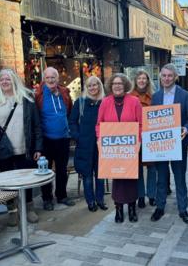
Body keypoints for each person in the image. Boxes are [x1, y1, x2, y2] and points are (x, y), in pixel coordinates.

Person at [0, 68, 43, 224]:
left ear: (14, 80)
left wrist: (38, 148)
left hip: (25, 148)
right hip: (2, 149)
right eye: (2, 80)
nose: (4, 82)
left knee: (26, 181)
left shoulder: (26, 99)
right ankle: (12, 211)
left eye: (7, 79)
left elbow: (36, 126)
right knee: (7, 183)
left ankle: (29, 208)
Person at [150, 63, 188, 225]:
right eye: (164, 76)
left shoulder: (185, 95)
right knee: (161, 177)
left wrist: (186, 128)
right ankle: (160, 207)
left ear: (175, 77)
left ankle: (183, 209)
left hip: (179, 143)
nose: (166, 79)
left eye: (170, 76)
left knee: (180, 177)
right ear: (160, 77)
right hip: (160, 144)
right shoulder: (155, 96)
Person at [96, 73, 142, 223]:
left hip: (131, 147)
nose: (117, 86)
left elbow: (141, 124)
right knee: (117, 179)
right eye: (115, 83)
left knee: (130, 179)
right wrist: (99, 140)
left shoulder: (134, 101)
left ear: (125, 86)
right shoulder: (105, 102)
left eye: (120, 83)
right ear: (111, 86)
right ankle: (119, 209)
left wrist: (139, 141)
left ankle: (132, 208)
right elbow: (99, 124)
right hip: (113, 149)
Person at [34, 67, 75, 211]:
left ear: (57, 79)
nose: (51, 80)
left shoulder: (64, 93)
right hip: (46, 140)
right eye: (48, 77)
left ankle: (62, 196)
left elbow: (69, 111)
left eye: (53, 77)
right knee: (45, 170)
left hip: (63, 138)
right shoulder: (38, 95)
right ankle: (47, 199)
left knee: (62, 170)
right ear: (44, 79)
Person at [70, 76, 108, 212]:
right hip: (85, 145)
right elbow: (72, 122)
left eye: (95, 85)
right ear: (86, 88)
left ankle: (100, 199)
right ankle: (90, 201)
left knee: (100, 175)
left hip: (101, 144)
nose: (92, 88)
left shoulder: (105, 102)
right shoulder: (79, 103)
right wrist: (77, 136)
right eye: (89, 86)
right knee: (87, 175)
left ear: (99, 86)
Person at [130, 70, 157, 208]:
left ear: (147, 81)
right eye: (139, 78)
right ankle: (140, 196)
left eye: (144, 78)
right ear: (135, 80)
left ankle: (152, 195)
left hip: (151, 136)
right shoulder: (129, 97)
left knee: (152, 168)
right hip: (135, 136)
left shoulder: (154, 96)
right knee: (138, 168)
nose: (141, 81)